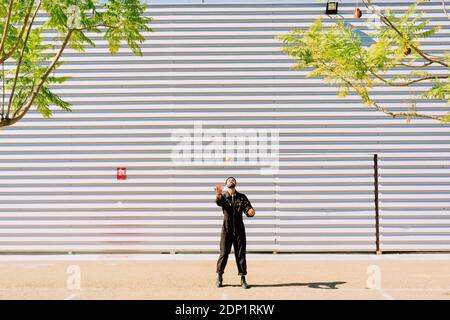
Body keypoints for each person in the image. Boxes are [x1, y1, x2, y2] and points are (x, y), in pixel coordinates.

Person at [214, 176, 256, 289]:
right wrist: (218, 194)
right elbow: (219, 202)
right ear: (226, 184)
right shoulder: (223, 196)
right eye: (229, 180)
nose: (231, 181)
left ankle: (243, 279)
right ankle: (219, 276)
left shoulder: (242, 197)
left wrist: (250, 212)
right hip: (226, 230)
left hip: (239, 230)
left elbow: (247, 208)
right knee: (223, 253)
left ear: (236, 183)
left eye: (233, 180)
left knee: (240, 255)